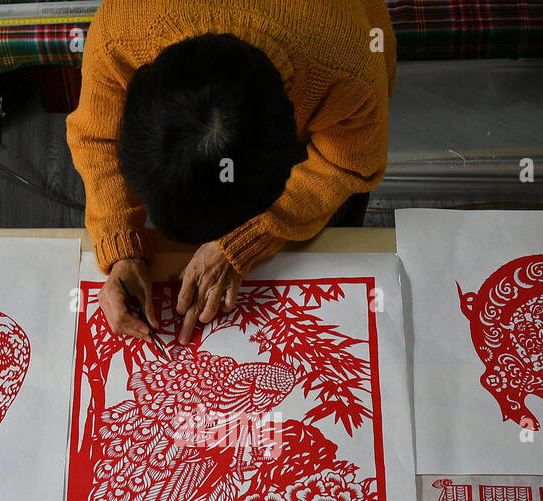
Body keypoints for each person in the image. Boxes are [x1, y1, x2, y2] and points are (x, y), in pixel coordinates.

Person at [66, 0, 396, 346]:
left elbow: (345, 164)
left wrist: (249, 237)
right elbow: (97, 136)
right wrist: (122, 249)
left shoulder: (351, 71)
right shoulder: (122, 29)